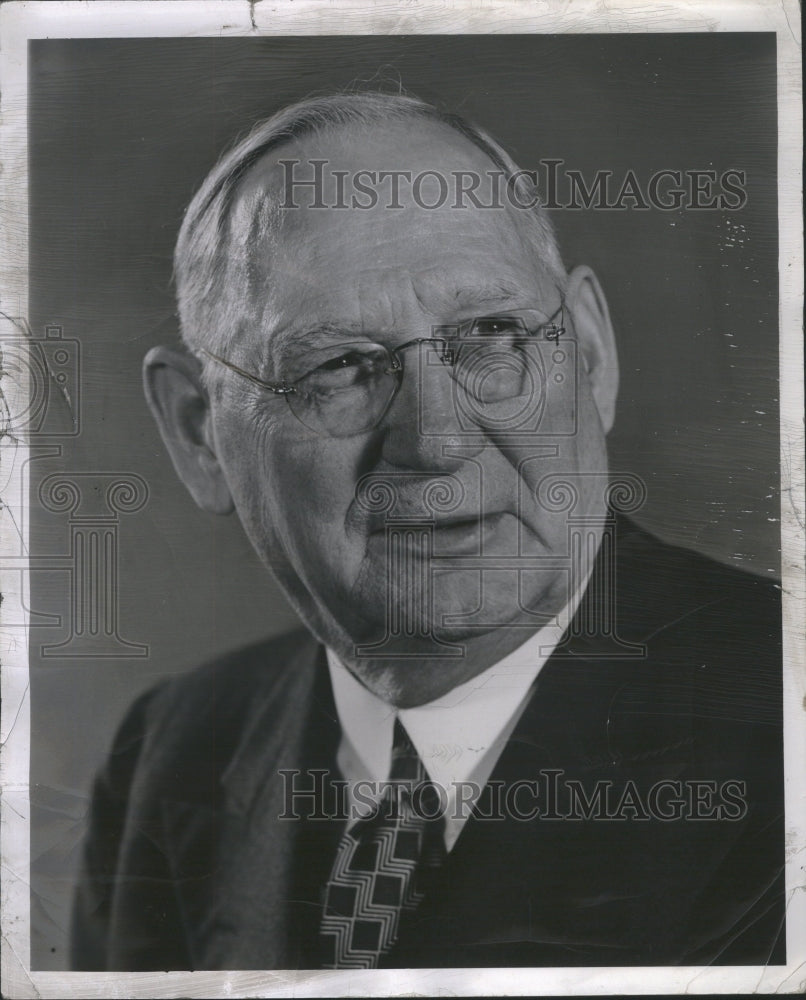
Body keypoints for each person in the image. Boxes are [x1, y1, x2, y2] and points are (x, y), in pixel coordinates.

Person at [70, 92, 784, 971]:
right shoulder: (169, 760)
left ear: (590, 355)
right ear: (198, 433)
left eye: (491, 335)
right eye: (338, 367)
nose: (437, 440)